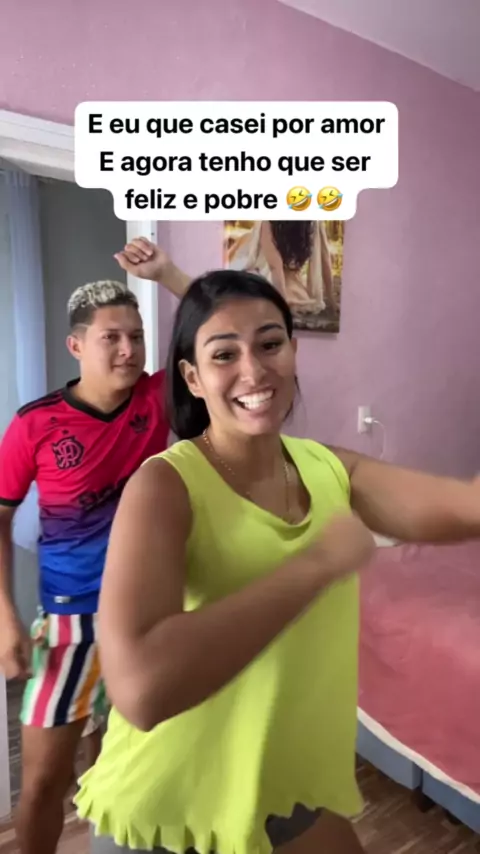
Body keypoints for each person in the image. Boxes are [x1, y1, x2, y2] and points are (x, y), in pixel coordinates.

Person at [74, 268, 480, 854]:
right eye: (224, 354)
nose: (254, 370)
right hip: (171, 810)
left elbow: (461, 506)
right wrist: (315, 566)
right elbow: (140, 688)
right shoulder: (164, 486)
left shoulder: (328, 467)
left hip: (280, 789)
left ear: (293, 352)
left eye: (270, 344)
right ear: (192, 378)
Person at [0, 260, 187, 854]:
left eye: (137, 336)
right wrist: (4, 617)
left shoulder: (155, 399)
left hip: (145, 617)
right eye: (112, 337)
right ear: (77, 345)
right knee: (43, 784)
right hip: (68, 623)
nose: (129, 350)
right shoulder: (35, 424)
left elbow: (217, 323)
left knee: (117, 768)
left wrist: (168, 273)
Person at [226, 220, 336, 315]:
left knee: (295, 297)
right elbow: (274, 266)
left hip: (286, 275)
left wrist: (332, 301)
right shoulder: (267, 221)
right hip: (259, 265)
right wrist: (283, 304)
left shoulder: (314, 222)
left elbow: (324, 257)